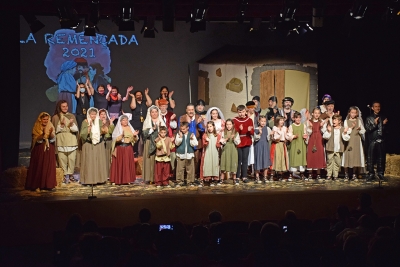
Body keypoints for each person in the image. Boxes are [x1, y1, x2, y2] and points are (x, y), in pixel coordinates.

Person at [25, 112, 56, 191]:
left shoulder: (50, 125)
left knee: (48, 167)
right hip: (39, 149)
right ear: (40, 119)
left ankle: (48, 185)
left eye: (47, 119)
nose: (45, 121)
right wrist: (43, 133)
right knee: (39, 166)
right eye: (44, 119)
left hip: (49, 149)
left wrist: (50, 134)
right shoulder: (36, 127)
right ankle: (37, 184)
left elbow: (53, 139)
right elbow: (36, 139)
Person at [52, 100, 79, 184]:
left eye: (66, 106)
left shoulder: (71, 116)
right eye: (63, 106)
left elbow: (76, 130)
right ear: (59, 107)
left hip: (71, 139)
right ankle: (63, 176)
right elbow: (54, 131)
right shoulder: (56, 117)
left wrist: (71, 124)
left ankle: (71, 175)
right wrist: (62, 125)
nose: (65, 108)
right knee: (62, 159)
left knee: (71, 159)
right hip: (61, 140)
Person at [79, 107, 108, 185]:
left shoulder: (99, 121)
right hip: (89, 144)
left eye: (95, 114)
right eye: (92, 114)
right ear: (89, 114)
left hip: (99, 144)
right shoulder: (85, 122)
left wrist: (104, 126)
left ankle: (99, 179)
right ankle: (89, 180)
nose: (93, 116)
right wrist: (89, 127)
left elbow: (105, 132)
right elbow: (82, 134)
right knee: (90, 162)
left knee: (99, 161)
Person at [178, 103, 205, 179]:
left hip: (196, 143)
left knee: (196, 160)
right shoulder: (182, 117)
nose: (191, 111)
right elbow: (180, 128)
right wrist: (188, 123)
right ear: (186, 110)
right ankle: (185, 177)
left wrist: (199, 123)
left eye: (192, 109)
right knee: (185, 160)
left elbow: (203, 129)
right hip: (185, 142)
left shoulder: (198, 117)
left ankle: (194, 176)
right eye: (189, 110)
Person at [110, 114, 139, 185]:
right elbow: (115, 139)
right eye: (123, 120)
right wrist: (121, 136)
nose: (125, 121)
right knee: (120, 164)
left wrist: (135, 135)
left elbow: (134, 140)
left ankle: (127, 179)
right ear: (120, 121)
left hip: (128, 148)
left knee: (127, 163)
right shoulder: (118, 129)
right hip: (120, 148)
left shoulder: (130, 128)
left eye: (126, 120)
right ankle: (117, 179)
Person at [323, 114, 351, 180]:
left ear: (339, 121)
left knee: (337, 162)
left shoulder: (342, 129)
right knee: (329, 162)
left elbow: (346, 138)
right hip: (330, 148)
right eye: (333, 119)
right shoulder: (330, 128)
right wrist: (329, 131)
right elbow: (325, 136)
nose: (333, 121)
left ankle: (335, 175)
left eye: (335, 120)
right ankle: (329, 175)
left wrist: (344, 133)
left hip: (338, 149)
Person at [142, 105, 166, 184]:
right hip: (149, 142)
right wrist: (152, 129)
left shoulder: (161, 121)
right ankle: (149, 178)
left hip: (159, 142)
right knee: (149, 160)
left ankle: (157, 178)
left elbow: (166, 132)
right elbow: (144, 134)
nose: (154, 113)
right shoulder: (147, 122)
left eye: (156, 112)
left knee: (158, 160)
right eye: (153, 112)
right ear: (150, 113)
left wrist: (160, 129)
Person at [365, 101, 388, 181]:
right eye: (376, 106)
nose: (377, 108)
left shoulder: (383, 117)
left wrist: (384, 125)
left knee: (381, 158)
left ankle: (380, 173)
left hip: (381, 140)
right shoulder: (369, 118)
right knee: (370, 158)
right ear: (372, 108)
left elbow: (386, 131)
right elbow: (367, 129)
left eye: (379, 106)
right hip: (372, 140)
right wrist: (375, 124)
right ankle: (371, 173)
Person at [342, 106, 366, 180]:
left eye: (354, 113)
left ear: (356, 114)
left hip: (356, 140)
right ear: (349, 113)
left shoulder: (358, 120)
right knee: (348, 156)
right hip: (349, 140)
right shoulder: (346, 121)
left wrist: (359, 129)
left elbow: (363, 131)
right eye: (351, 112)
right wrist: (351, 128)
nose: (353, 114)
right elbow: (345, 131)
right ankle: (346, 173)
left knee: (355, 156)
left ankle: (354, 173)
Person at [232, 105, 254, 184]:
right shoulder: (234, 120)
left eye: (243, 112)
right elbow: (233, 131)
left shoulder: (249, 120)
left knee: (245, 160)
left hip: (246, 141)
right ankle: (237, 176)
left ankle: (244, 176)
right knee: (238, 160)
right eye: (239, 112)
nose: (241, 114)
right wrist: (239, 129)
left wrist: (249, 130)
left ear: (246, 111)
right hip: (238, 142)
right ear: (237, 112)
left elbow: (252, 132)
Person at [129, 88, 152, 157]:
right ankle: (135, 153)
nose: (139, 96)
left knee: (146, 138)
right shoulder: (134, 102)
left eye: (140, 95)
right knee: (136, 139)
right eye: (137, 95)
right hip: (136, 123)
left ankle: (146, 153)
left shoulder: (145, 102)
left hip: (145, 123)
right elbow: (133, 107)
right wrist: (133, 97)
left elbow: (150, 103)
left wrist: (146, 94)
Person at [175, 122, 198, 186]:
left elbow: (195, 143)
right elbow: (177, 143)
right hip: (181, 155)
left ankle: (190, 181)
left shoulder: (191, 134)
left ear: (187, 128)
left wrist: (191, 139)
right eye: (181, 129)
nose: (182, 130)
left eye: (184, 129)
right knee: (180, 169)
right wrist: (180, 137)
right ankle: (180, 181)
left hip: (189, 155)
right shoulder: (179, 134)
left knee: (190, 169)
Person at [306, 107, 326, 180]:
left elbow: (324, 132)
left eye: (318, 113)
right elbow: (308, 132)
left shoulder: (321, 121)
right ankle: (310, 174)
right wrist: (310, 127)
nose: (317, 114)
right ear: (312, 114)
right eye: (315, 113)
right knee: (311, 156)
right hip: (312, 139)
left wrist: (322, 126)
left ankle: (318, 173)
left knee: (319, 155)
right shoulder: (309, 121)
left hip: (319, 140)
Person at [158, 99, 178, 173]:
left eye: (164, 106)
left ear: (167, 106)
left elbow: (174, 127)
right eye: (161, 106)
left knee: (172, 155)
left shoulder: (171, 114)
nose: (163, 108)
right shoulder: (157, 114)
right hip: (160, 138)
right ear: (159, 107)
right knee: (161, 155)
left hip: (170, 138)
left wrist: (172, 120)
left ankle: (172, 172)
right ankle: (162, 173)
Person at [287, 112, 308, 180]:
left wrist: (305, 137)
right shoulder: (291, 126)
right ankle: (291, 174)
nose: (298, 119)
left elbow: (305, 133)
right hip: (294, 144)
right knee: (293, 158)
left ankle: (302, 174)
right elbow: (289, 135)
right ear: (294, 119)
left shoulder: (303, 126)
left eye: (299, 118)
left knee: (301, 158)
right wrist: (293, 136)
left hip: (301, 144)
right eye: (296, 118)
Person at [219, 119, 240, 185]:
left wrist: (234, 139)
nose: (228, 126)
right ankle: (221, 179)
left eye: (230, 124)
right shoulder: (223, 132)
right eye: (227, 124)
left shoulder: (236, 132)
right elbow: (221, 141)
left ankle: (234, 179)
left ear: (232, 125)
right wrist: (226, 139)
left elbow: (238, 142)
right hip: (226, 149)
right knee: (224, 163)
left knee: (233, 162)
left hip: (233, 149)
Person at [201, 121, 222, 186]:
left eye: (211, 126)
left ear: (214, 127)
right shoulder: (205, 135)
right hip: (208, 152)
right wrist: (206, 141)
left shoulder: (217, 135)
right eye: (208, 127)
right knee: (208, 164)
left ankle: (214, 179)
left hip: (214, 152)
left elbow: (218, 145)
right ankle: (208, 178)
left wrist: (221, 142)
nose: (209, 128)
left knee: (214, 164)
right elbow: (204, 144)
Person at [253, 115, 272, 183]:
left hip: (265, 146)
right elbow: (255, 139)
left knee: (265, 161)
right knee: (258, 160)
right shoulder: (256, 129)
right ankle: (257, 177)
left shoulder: (267, 129)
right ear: (259, 121)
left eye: (264, 121)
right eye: (262, 121)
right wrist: (260, 134)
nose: (263, 123)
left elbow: (269, 138)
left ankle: (265, 177)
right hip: (258, 146)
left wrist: (271, 135)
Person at [270, 116, 289, 181]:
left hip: (282, 144)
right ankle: (272, 175)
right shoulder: (275, 128)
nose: (282, 122)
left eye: (283, 120)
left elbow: (286, 137)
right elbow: (273, 137)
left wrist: (287, 137)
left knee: (282, 159)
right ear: (277, 121)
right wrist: (272, 137)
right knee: (275, 159)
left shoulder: (284, 128)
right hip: (276, 144)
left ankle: (280, 174)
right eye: (281, 120)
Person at [99, 109, 115, 177]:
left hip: (108, 142)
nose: (103, 116)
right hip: (101, 143)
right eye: (101, 114)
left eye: (104, 114)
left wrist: (111, 123)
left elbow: (112, 132)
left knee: (108, 159)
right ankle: (102, 174)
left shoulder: (109, 122)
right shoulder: (97, 123)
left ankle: (108, 175)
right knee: (101, 159)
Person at [246, 101, 259, 176]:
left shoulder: (256, 115)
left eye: (254, 108)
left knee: (253, 153)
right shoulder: (244, 115)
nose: (253, 109)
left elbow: (257, 123)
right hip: (246, 135)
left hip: (254, 134)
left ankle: (253, 169)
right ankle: (246, 169)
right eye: (251, 108)